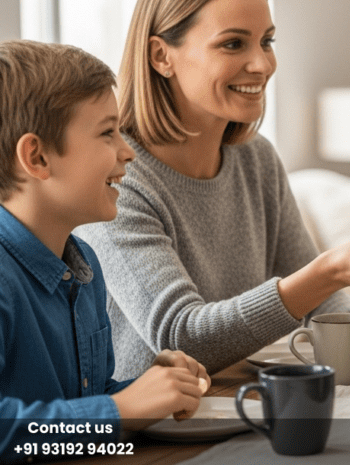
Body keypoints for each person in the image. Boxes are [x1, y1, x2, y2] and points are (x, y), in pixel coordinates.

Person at [76, 0, 350, 379]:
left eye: (266, 41)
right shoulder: (119, 178)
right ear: (161, 56)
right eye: (233, 43)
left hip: (237, 403)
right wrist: (331, 269)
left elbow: (321, 301)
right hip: (155, 432)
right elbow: (180, 338)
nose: (262, 64)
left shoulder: (256, 158)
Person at [0, 41, 212, 458]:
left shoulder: (84, 266)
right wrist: (118, 411)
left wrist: (150, 389)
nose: (127, 150)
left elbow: (81, 403)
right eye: (106, 133)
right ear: (37, 156)